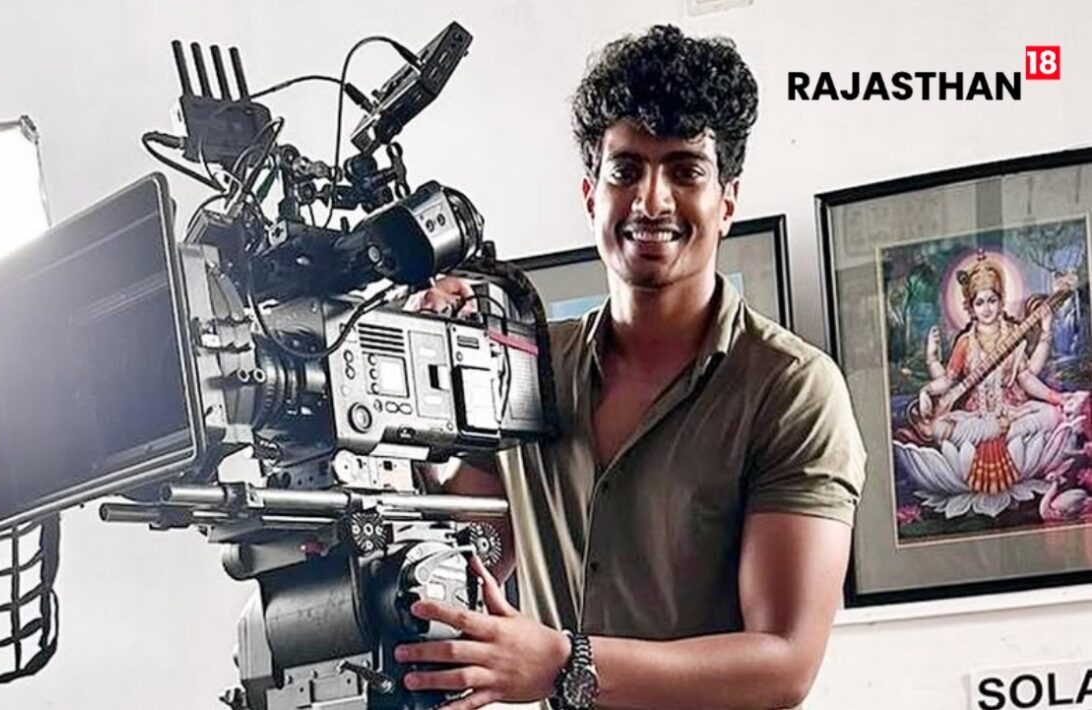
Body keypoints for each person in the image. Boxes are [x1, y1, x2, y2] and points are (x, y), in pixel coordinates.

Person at [400, 25, 867, 710]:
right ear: (591, 194)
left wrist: (567, 664)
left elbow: (783, 662)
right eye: (626, 170)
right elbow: (468, 556)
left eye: (685, 170)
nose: (651, 202)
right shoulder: (520, 368)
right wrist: (422, 390)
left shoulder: (792, 390)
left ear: (727, 202)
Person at [915, 253, 1063, 493]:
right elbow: (949, 381)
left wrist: (1046, 332)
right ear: (971, 307)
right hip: (976, 418)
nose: (986, 308)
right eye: (980, 302)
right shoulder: (965, 342)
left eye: (992, 300)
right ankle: (992, 432)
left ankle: (995, 432)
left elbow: (1027, 377)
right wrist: (928, 377)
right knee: (939, 427)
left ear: (1001, 301)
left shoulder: (1013, 334)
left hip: (1011, 415)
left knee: (1052, 415)